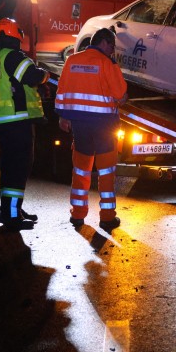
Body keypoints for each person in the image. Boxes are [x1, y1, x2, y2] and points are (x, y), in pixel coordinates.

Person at [55, 27, 128, 231]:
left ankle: (77, 215)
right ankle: (106, 217)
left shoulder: (72, 61)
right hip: (104, 126)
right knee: (106, 172)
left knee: (80, 170)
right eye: (112, 46)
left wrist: (63, 116)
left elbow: (61, 91)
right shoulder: (106, 63)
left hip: (79, 125)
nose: (113, 51)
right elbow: (121, 94)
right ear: (104, 42)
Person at [0, 17, 50, 230]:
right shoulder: (14, 57)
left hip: (2, 120)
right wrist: (45, 75)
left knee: (11, 168)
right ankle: (11, 215)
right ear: (16, 36)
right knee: (18, 168)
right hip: (17, 119)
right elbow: (32, 76)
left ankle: (12, 209)